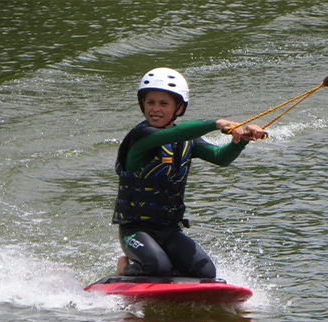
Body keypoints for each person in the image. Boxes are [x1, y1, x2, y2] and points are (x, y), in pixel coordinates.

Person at [112, 67, 264, 278]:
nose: (155, 109)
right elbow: (173, 133)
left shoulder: (187, 141)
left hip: (169, 230)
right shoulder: (140, 136)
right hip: (135, 230)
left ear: (179, 108)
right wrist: (217, 123)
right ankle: (125, 268)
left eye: (164, 103)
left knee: (206, 272)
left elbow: (220, 157)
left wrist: (240, 142)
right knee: (157, 268)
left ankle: (165, 267)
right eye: (150, 102)